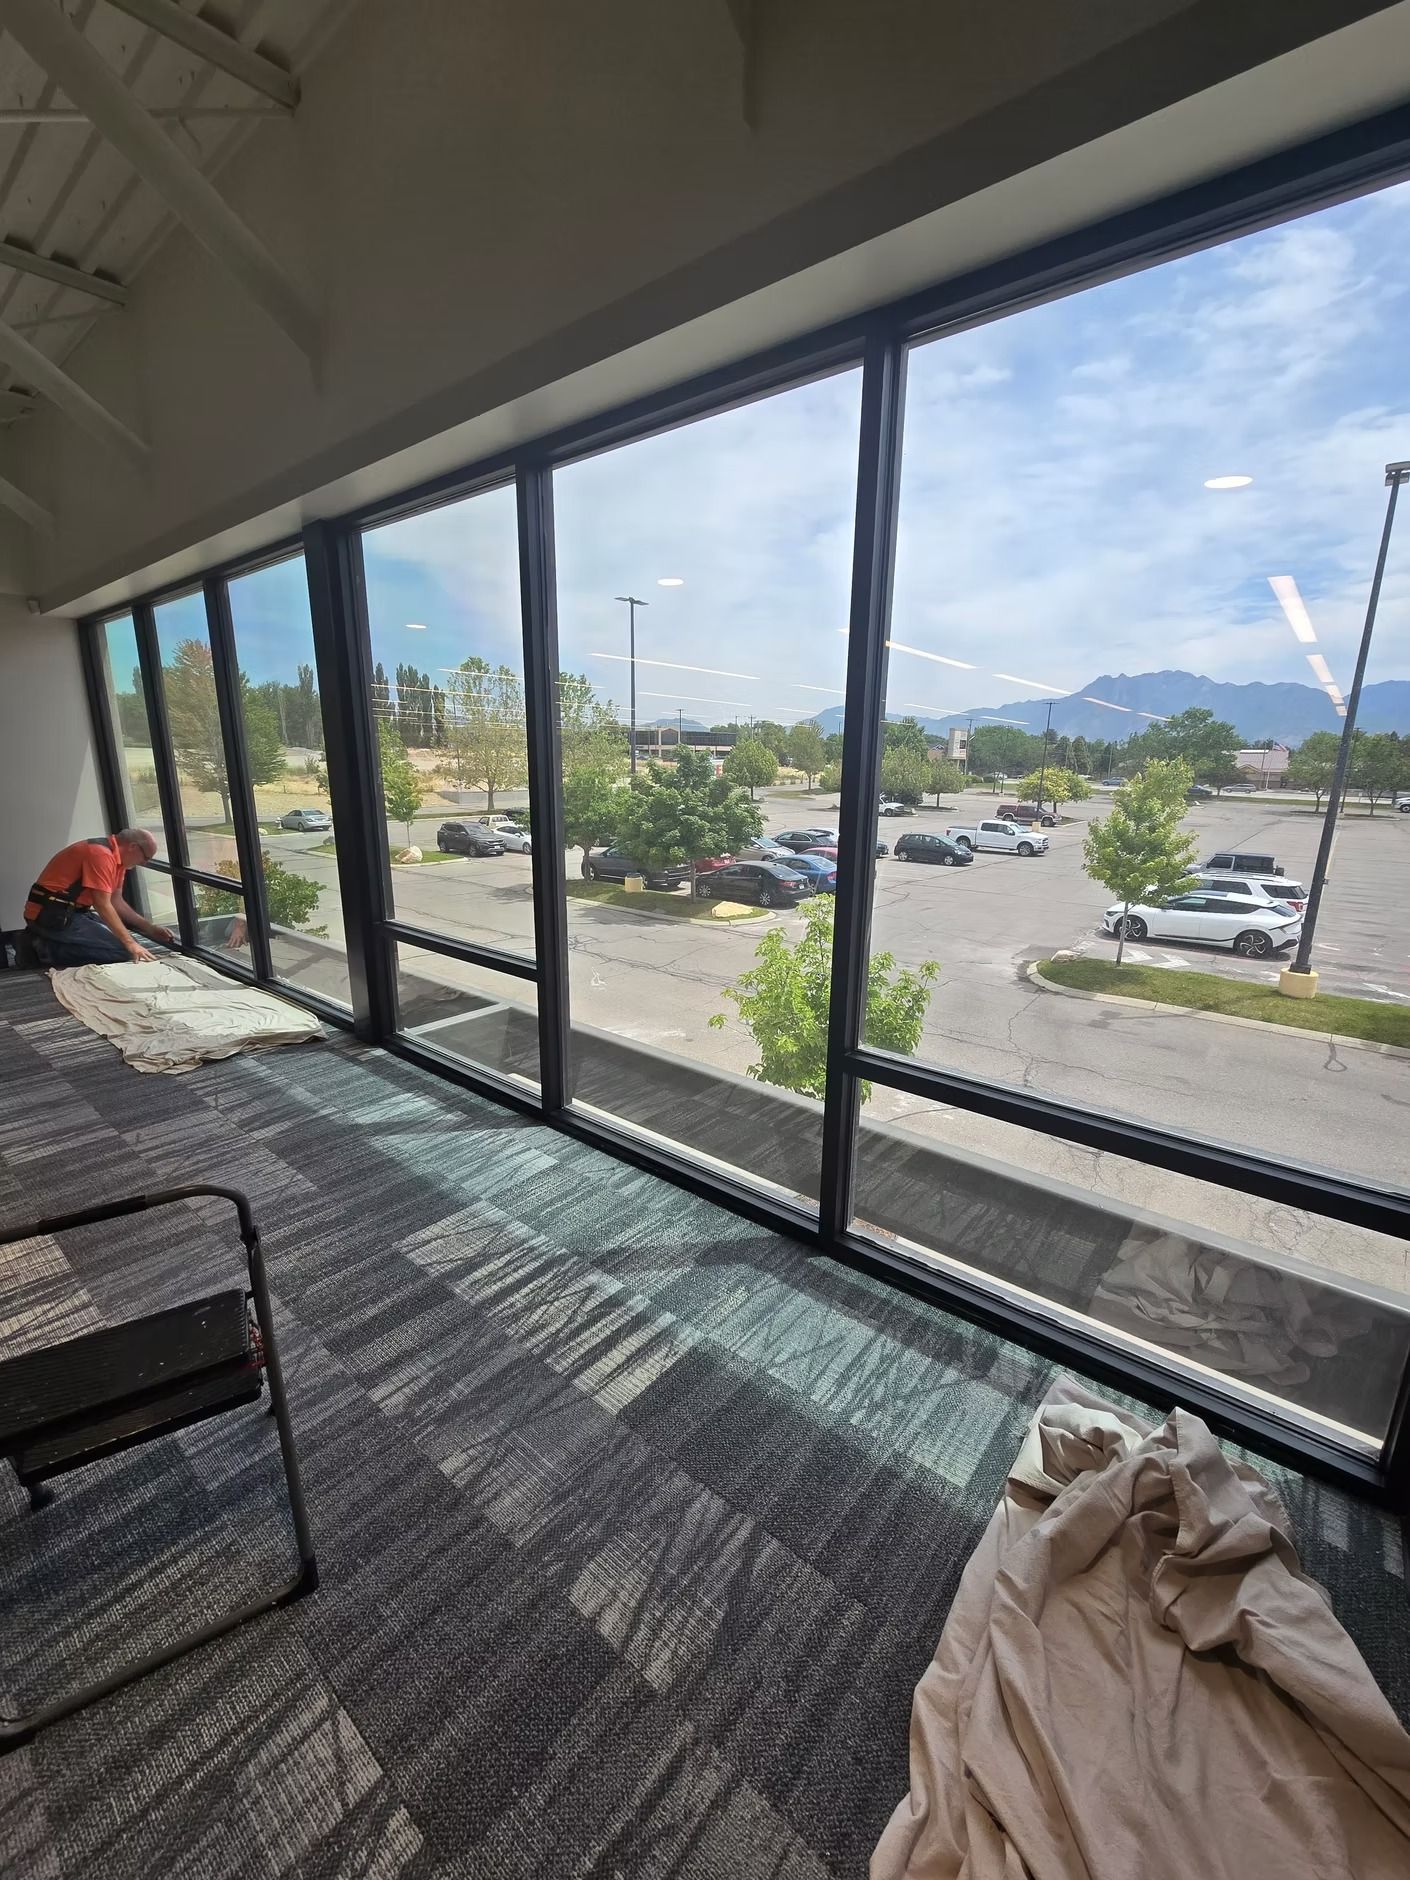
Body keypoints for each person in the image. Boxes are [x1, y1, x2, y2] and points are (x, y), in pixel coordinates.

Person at [23, 827, 176, 968]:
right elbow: (102, 905)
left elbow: (117, 902)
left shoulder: (119, 862)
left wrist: (150, 928)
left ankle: (50, 939)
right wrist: (129, 943)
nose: (145, 862)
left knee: (130, 943)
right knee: (125, 951)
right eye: (146, 857)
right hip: (50, 914)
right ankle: (41, 950)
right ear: (133, 847)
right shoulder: (100, 854)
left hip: (71, 912)